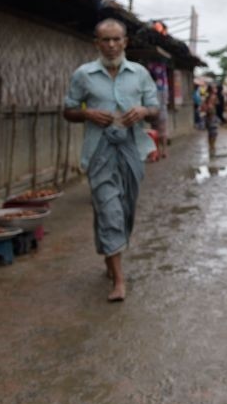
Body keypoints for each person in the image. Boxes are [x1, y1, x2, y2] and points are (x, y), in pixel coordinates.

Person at [64, 19, 158, 302]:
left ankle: (110, 256)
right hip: (99, 150)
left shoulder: (139, 73)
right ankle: (119, 280)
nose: (112, 45)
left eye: (117, 39)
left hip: (131, 149)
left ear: (125, 42)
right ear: (97, 43)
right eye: (106, 40)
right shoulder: (84, 75)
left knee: (125, 208)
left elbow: (155, 107)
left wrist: (142, 111)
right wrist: (88, 114)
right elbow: (68, 110)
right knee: (109, 209)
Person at [203, 86, 220, 156]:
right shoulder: (213, 97)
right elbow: (218, 103)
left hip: (208, 116)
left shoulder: (207, 97)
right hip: (212, 116)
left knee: (210, 133)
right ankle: (212, 146)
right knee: (214, 132)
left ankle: (211, 145)